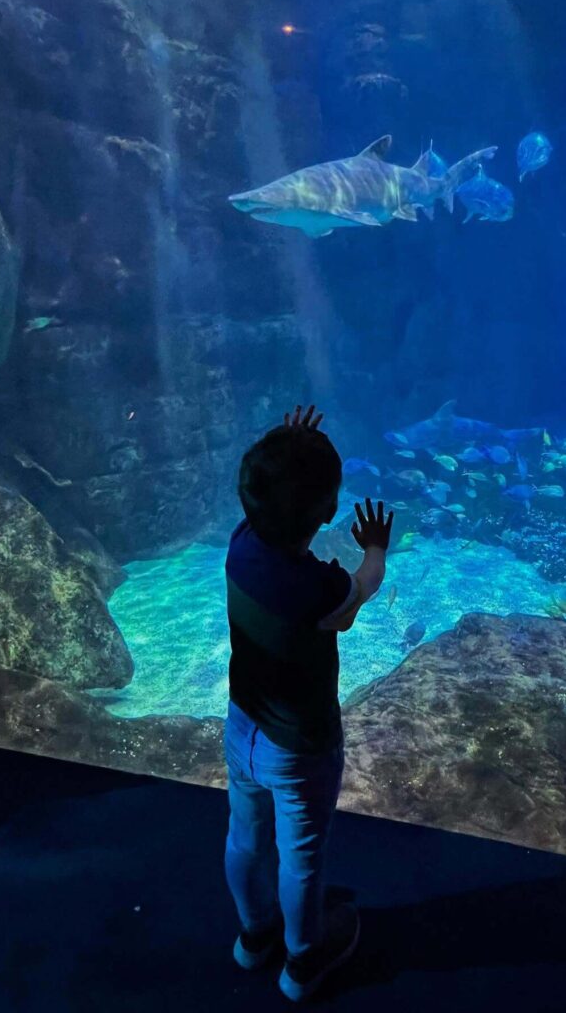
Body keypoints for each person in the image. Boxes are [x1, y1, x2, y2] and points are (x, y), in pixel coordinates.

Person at [223, 402, 394, 1002]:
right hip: (299, 746)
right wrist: (375, 546)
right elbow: (362, 589)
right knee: (302, 857)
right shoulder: (316, 587)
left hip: (241, 725)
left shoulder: (240, 546)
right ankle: (302, 961)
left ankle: (253, 936)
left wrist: (288, 444)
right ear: (325, 514)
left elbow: (269, 495)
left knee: (244, 837)